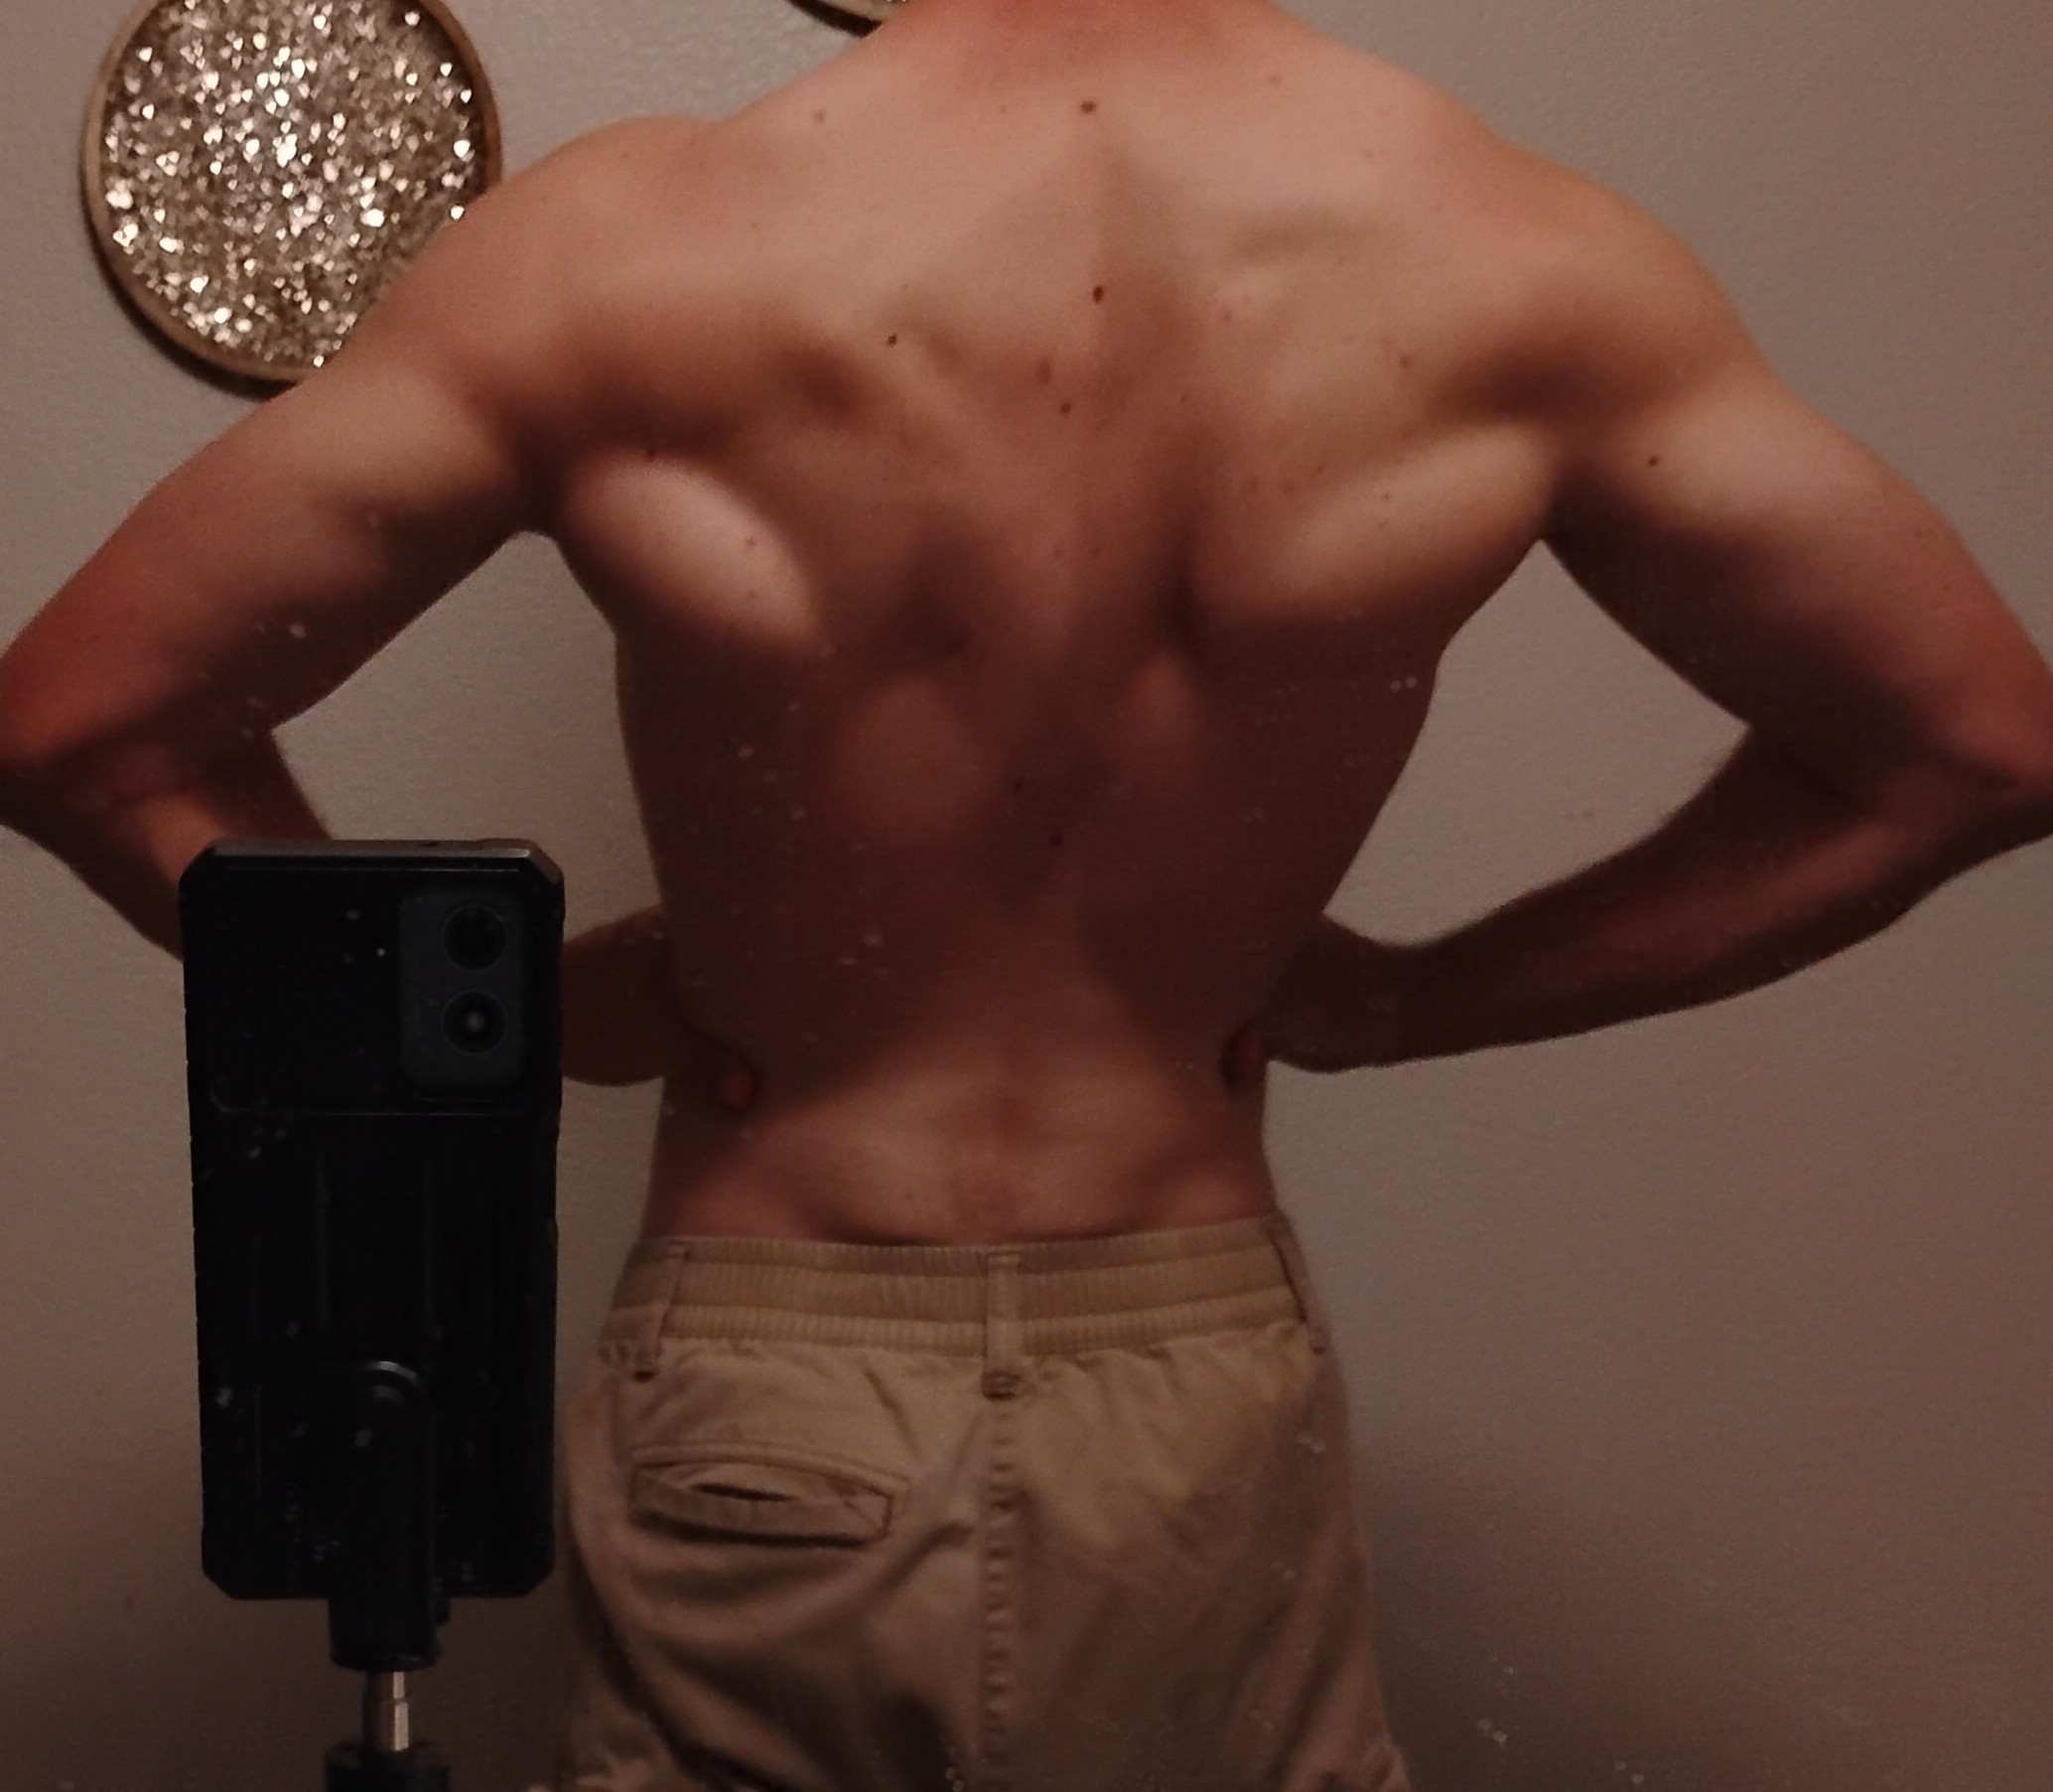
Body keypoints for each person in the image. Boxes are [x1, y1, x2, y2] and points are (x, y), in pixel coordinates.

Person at [4, 0, 2051, 1786]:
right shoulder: (1514, 264)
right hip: (1191, 1382)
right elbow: (1974, 747)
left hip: (770, 1353)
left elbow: (73, 730)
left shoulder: (628, 250)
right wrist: (1414, 1001)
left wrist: (506, 1024)